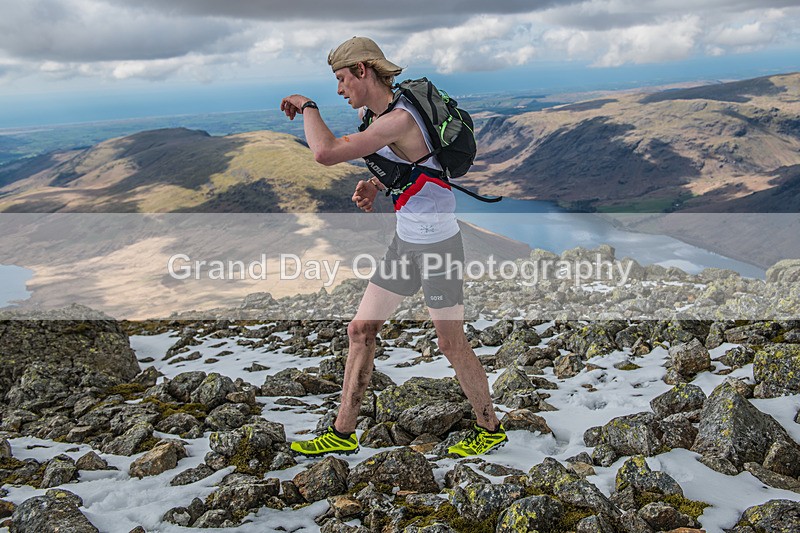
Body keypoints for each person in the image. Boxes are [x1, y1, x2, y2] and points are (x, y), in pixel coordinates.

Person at [280, 36, 506, 457]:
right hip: (407, 243)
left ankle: (489, 428)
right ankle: (343, 433)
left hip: (438, 247)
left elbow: (326, 153)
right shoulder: (377, 113)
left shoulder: (400, 117)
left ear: (363, 70)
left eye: (342, 78)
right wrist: (377, 183)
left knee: (449, 343)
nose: (339, 89)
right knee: (361, 330)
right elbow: (417, 164)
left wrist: (309, 106)